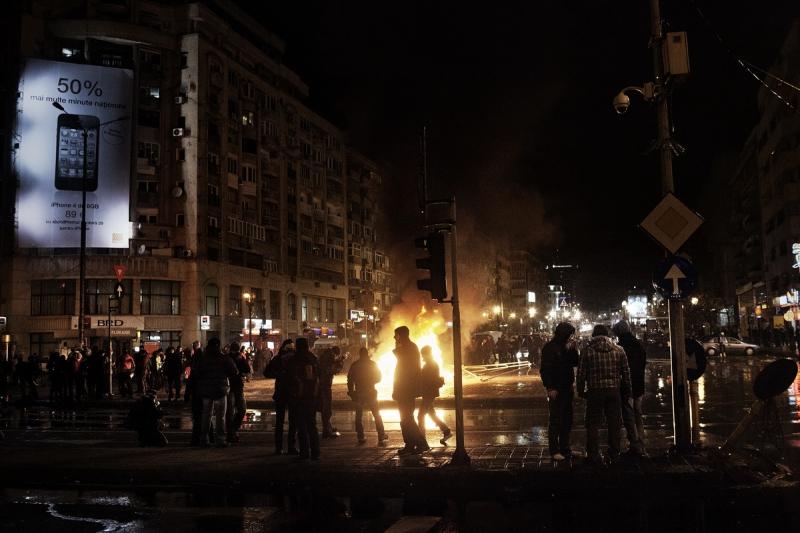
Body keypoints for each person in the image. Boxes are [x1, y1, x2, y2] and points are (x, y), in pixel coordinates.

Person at [576, 325, 632, 465]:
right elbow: (626, 374)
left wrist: (581, 390)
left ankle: (593, 453)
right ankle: (614, 452)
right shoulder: (619, 350)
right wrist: (627, 391)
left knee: (593, 423)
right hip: (614, 391)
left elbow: (581, 374)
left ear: (594, 335)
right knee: (614, 423)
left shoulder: (587, 351)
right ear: (608, 335)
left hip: (595, 391)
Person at [540, 322, 580, 461]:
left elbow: (575, 362)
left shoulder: (567, 347)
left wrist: (573, 349)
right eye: (569, 334)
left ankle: (565, 448)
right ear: (563, 334)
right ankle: (554, 450)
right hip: (556, 389)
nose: (571, 337)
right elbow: (545, 369)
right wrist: (550, 387)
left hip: (567, 388)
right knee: (556, 420)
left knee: (567, 420)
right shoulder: (550, 348)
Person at [195, 338, 238, 447]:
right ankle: (220, 439)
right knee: (221, 416)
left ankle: (204, 439)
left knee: (206, 415)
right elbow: (234, 371)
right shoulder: (223, 358)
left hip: (206, 390)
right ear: (218, 346)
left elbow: (197, 372)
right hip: (220, 389)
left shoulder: (203, 358)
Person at [392, 326, 429, 456]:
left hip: (406, 389)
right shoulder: (410, 347)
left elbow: (399, 359)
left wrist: (397, 344)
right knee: (406, 418)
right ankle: (411, 444)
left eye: (396, 335)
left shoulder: (408, 348)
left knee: (406, 418)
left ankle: (418, 443)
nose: (394, 338)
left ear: (401, 335)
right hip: (405, 389)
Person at [612, 320, 647, 455]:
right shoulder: (639, 345)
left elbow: (619, 368)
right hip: (639, 384)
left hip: (627, 386)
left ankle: (634, 443)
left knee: (628, 414)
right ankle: (641, 440)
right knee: (638, 413)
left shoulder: (621, 347)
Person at [288, 338, 320, 460]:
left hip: (299, 397)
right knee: (312, 425)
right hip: (311, 396)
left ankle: (304, 452)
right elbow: (317, 378)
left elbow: (291, 378)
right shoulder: (313, 358)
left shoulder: (295, 359)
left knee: (301, 426)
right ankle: (315, 452)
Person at [347, 347, 387, 446]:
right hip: (370, 391)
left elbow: (350, 380)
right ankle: (381, 436)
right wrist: (371, 381)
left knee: (358, 416)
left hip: (359, 392)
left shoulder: (355, 365)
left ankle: (361, 437)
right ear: (367, 354)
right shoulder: (372, 364)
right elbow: (379, 378)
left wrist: (351, 392)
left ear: (360, 354)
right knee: (376, 414)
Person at [266, 339, 299, 454]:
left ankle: (279, 448)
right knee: (292, 421)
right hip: (292, 392)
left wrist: (279, 374)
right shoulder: (295, 359)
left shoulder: (278, 358)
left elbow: (267, 372)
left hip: (281, 392)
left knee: (280, 422)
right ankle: (291, 447)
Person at [418, 346, 451, 445]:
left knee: (420, 416)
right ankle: (446, 431)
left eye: (423, 354)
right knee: (431, 414)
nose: (422, 356)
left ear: (426, 354)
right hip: (429, 393)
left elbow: (428, 380)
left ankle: (422, 440)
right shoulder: (430, 364)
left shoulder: (430, 365)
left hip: (429, 393)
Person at [226, 342, 251, 443]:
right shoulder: (230, 358)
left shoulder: (237, 358)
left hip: (234, 386)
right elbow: (247, 369)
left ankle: (232, 431)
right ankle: (231, 432)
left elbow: (247, 369)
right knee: (239, 410)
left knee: (233, 411)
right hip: (233, 386)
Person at [318, 346, 344, 438]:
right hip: (325, 386)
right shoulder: (329, 357)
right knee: (326, 409)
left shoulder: (325, 356)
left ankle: (328, 427)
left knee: (326, 409)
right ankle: (326, 431)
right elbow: (332, 370)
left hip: (322, 385)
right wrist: (340, 363)